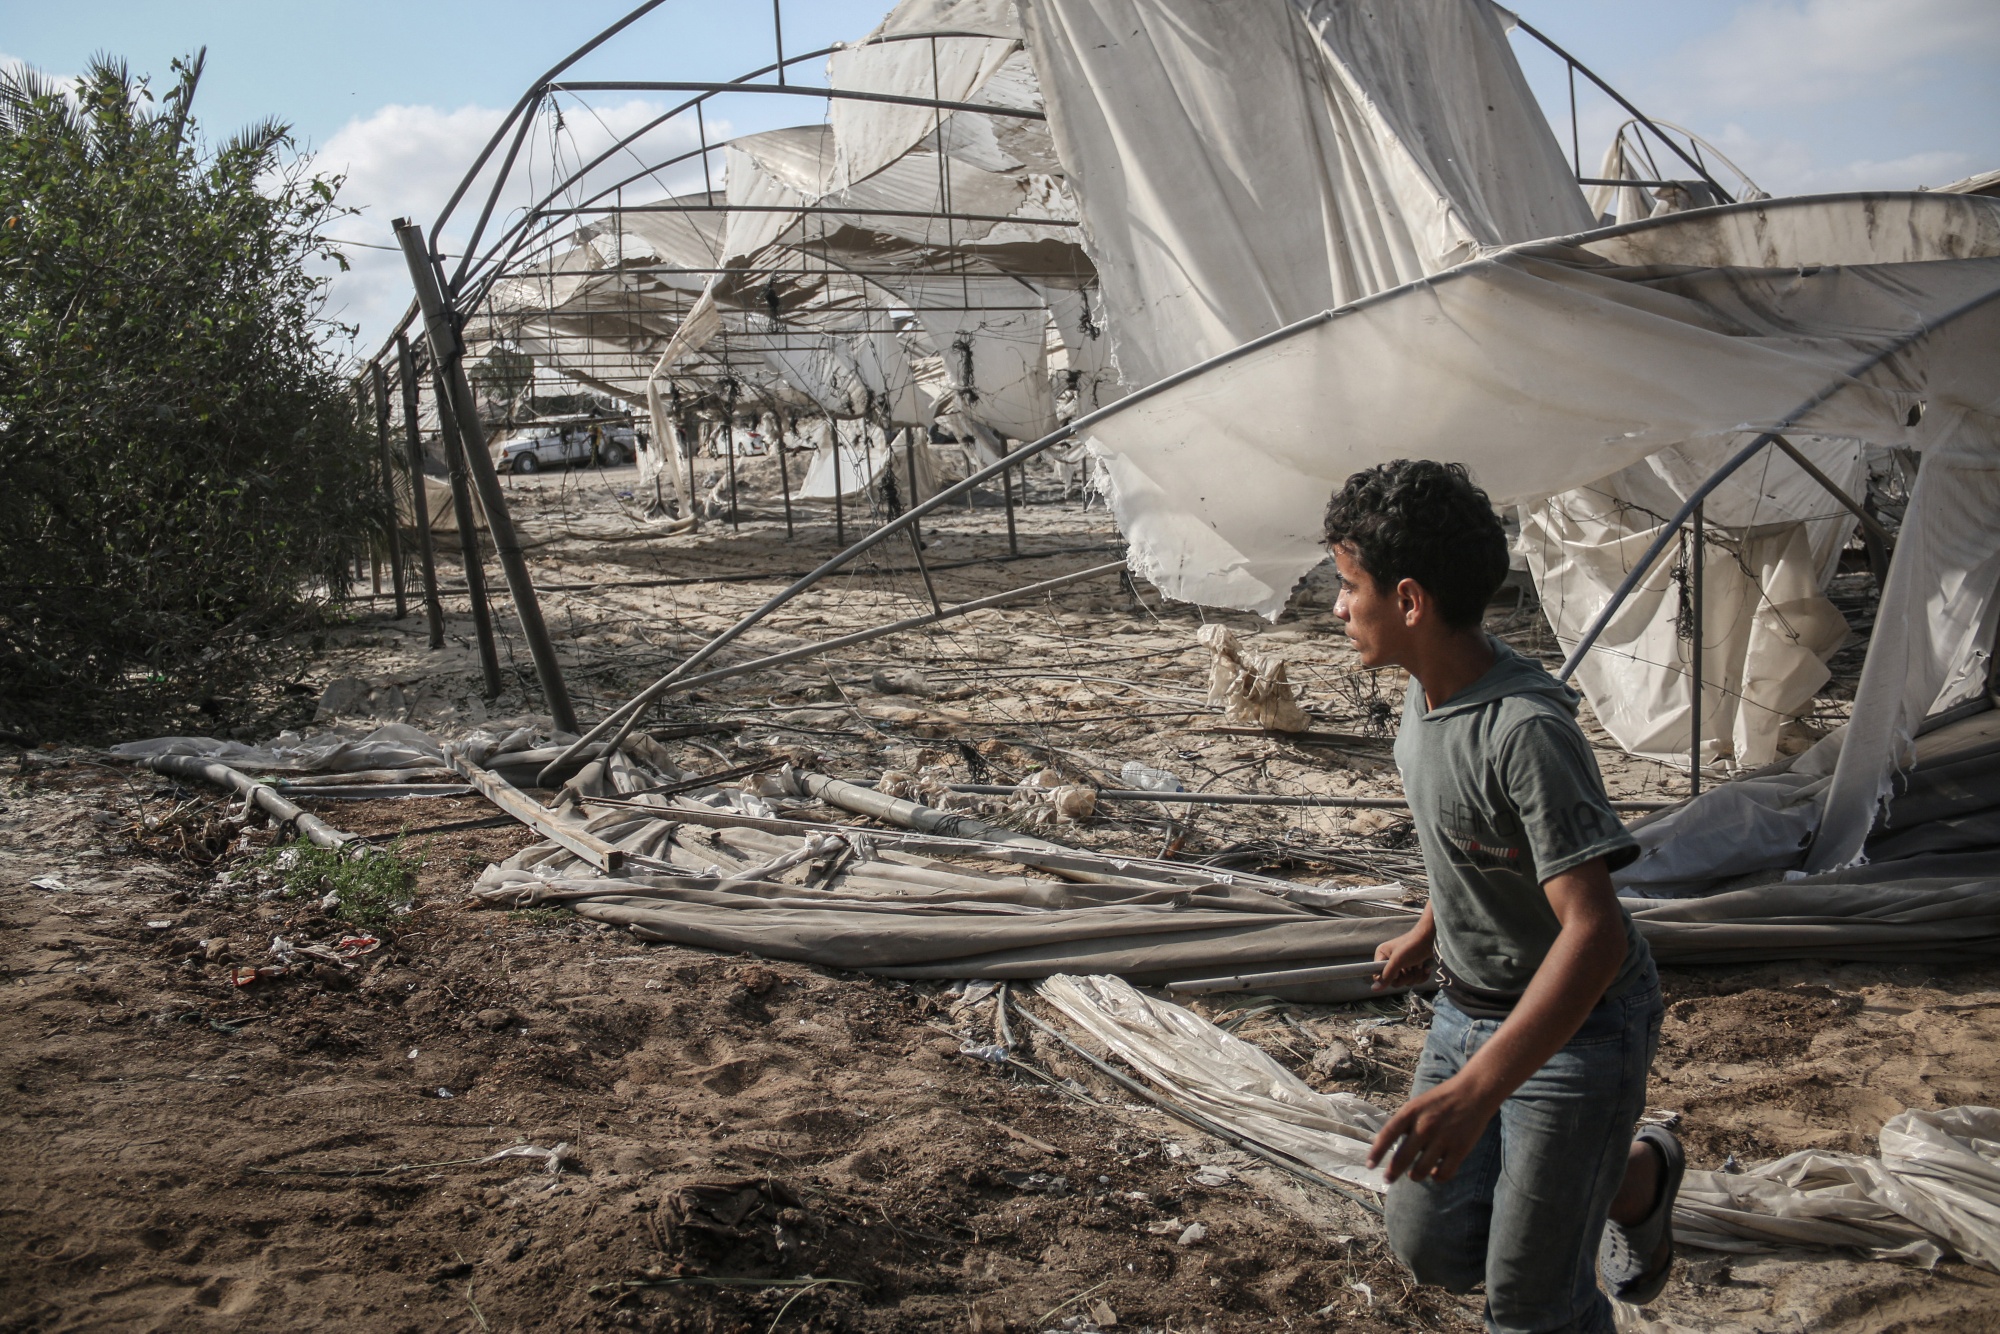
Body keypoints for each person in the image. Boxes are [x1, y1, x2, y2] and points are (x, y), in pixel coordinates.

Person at [1322, 460, 1684, 1333]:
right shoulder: (1424, 695)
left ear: (1408, 601)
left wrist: (1480, 1089)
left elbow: (1593, 935)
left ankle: (1614, 1171)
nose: (1337, 609)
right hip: (1467, 1009)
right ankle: (1632, 1176)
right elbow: (1476, 845)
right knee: (1433, 1247)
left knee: (1531, 1301)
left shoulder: (1526, 733)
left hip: (1581, 1029)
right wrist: (1428, 925)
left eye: (1347, 586)